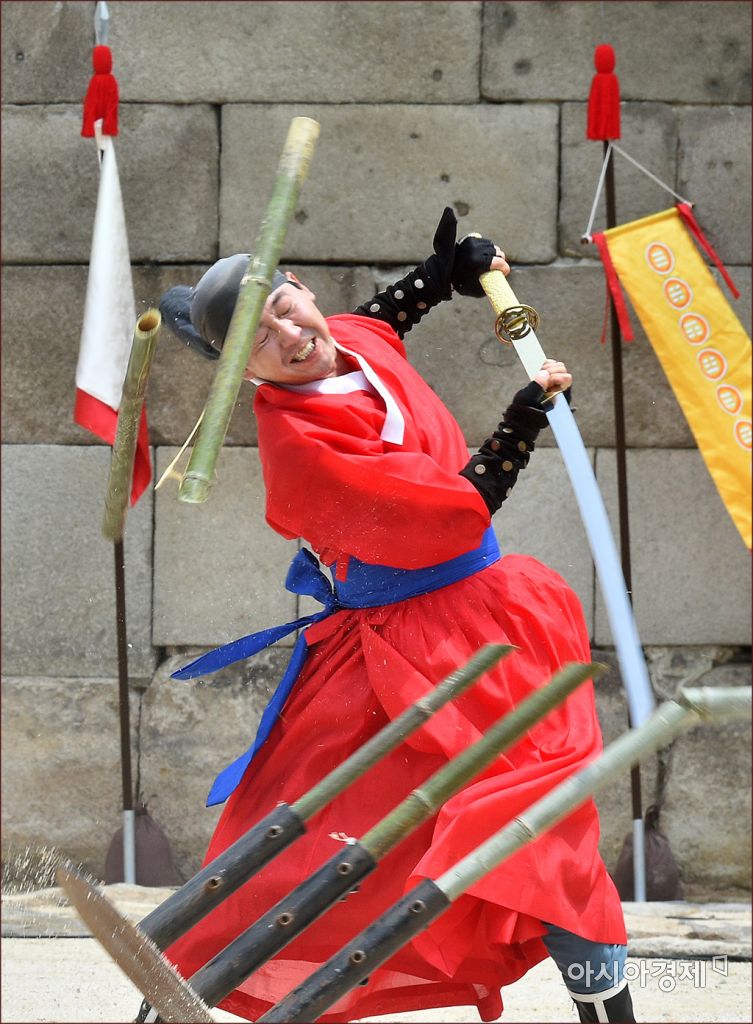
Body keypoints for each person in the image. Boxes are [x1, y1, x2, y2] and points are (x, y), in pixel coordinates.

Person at [152, 208, 635, 1023]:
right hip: (411, 660)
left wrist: (445, 273)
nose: (288, 336)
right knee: (322, 846)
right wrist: (523, 420)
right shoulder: (300, 451)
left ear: (302, 289)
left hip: (498, 620)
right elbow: (460, 511)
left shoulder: (338, 340)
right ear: (241, 374)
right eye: (257, 341)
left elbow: (376, 323)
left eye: (283, 308)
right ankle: (196, 975)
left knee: (544, 828)